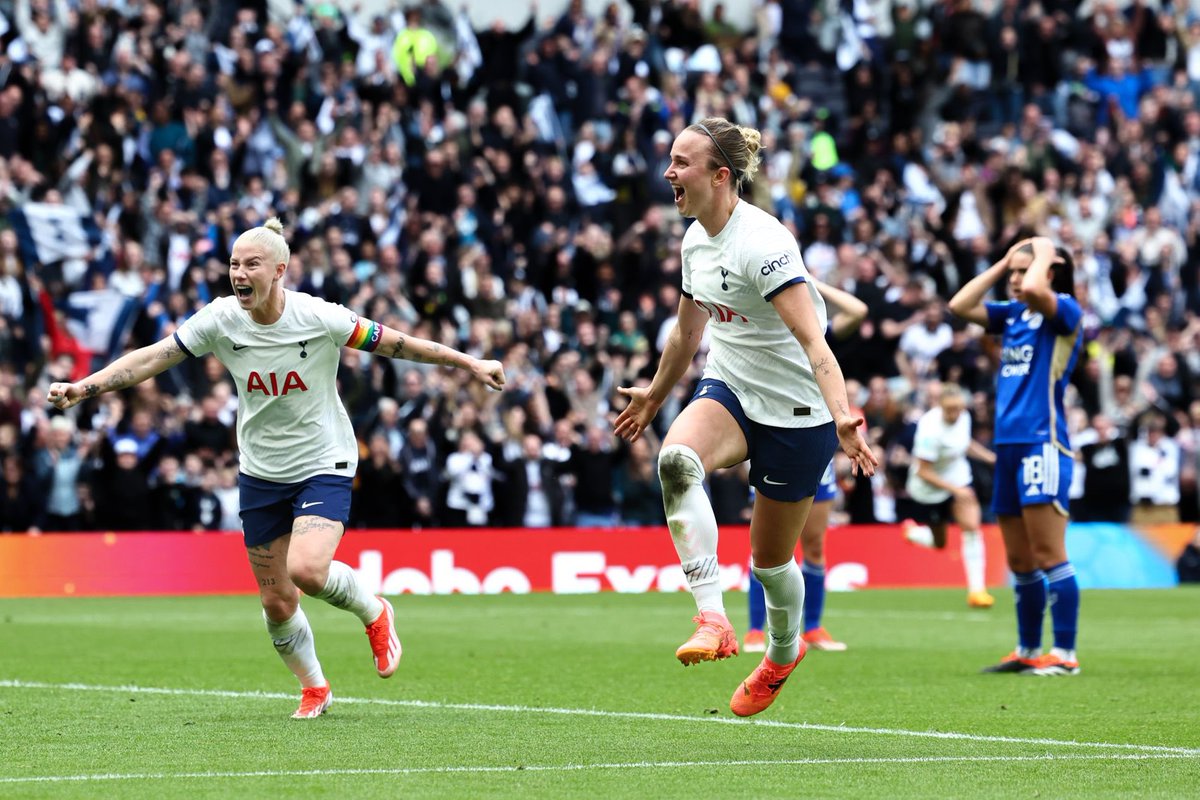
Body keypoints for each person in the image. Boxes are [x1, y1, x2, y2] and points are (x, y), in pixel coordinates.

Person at [47, 218, 506, 718]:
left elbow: (400, 343)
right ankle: (315, 688)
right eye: (233, 264)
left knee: (307, 569)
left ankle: (375, 611)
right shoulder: (220, 319)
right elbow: (150, 359)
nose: (238, 273)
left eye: (250, 264)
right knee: (277, 603)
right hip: (261, 469)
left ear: (280, 270)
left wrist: (470, 364)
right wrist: (82, 387)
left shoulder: (319, 317)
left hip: (322, 459)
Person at [613, 117, 878, 718]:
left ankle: (783, 653)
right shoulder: (693, 241)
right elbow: (687, 332)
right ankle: (712, 618)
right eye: (670, 161)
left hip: (798, 409)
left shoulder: (764, 243)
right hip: (731, 387)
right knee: (677, 461)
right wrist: (655, 397)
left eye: (681, 163)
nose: (669, 173)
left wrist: (841, 419)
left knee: (771, 562)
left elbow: (816, 344)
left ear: (720, 175)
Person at [948, 237, 1083, 676]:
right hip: (1007, 447)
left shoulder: (1063, 310)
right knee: (1020, 561)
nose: (1016, 280)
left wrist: (1043, 250)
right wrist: (1007, 259)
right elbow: (960, 304)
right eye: (1012, 274)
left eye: (1024, 272)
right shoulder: (1013, 315)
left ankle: (1064, 655)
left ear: (1052, 272)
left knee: (1049, 553)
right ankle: (1028, 650)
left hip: (1042, 442)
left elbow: (1042, 292)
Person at [744, 278, 870, 654]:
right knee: (767, 545)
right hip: (775, 438)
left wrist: (810, 282)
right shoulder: (766, 328)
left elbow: (859, 311)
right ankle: (755, 628)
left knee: (814, 544)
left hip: (816, 440)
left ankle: (812, 628)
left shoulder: (813, 328)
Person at [899, 382, 998, 609]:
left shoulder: (964, 417)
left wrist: (989, 458)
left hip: (958, 477)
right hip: (929, 488)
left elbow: (963, 443)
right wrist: (956, 491)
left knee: (972, 527)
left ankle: (977, 591)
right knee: (939, 543)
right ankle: (913, 533)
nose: (955, 413)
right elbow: (923, 471)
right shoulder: (929, 429)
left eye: (958, 408)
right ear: (941, 406)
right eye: (950, 409)